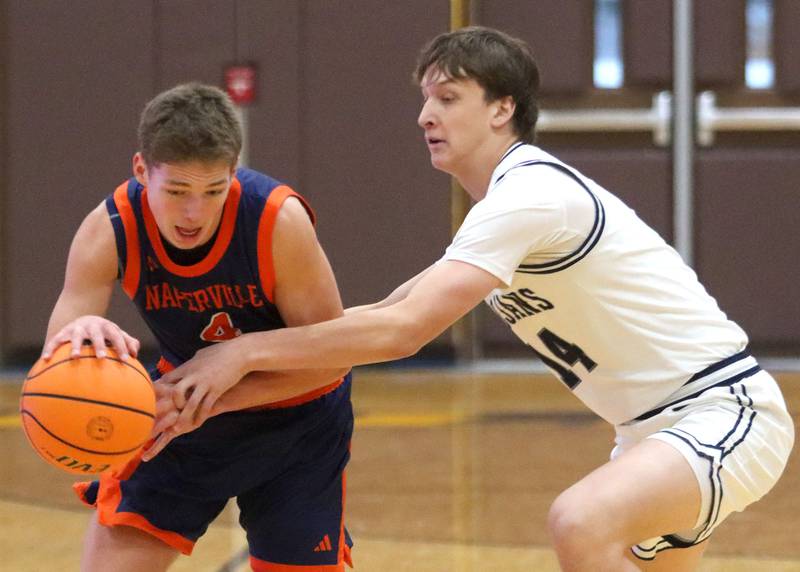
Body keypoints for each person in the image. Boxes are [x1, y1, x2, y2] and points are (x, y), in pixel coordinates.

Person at [153, 28, 794, 571]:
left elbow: (402, 332)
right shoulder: (499, 208)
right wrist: (207, 387)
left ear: (501, 108)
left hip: (720, 411)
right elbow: (378, 315)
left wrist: (241, 353)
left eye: (448, 97)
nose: (426, 115)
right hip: (650, 435)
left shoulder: (530, 194)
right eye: (425, 99)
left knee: (579, 522)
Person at [40, 83, 355, 572]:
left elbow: (334, 359)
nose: (195, 213)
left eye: (213, 191)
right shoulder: (111, 227)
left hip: (298, 421)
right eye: (177, 191)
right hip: (182, 418)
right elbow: (56, 354)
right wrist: (79, 333)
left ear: (233, 171)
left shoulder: (277, 220)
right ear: (142, 170)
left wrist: (217, 390)